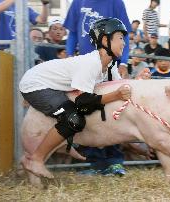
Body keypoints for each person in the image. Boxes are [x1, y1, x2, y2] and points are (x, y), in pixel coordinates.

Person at [19, 18, 132, 179]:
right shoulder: (91, 63)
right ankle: (35, 160)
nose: (124, 43)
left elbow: (120, 88)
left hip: (52, 85)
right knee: (74, 119)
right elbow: (84, 103)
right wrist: (115, 95)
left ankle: (67, 141)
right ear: (105, 40)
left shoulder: (110, 66)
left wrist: (139, 82)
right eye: (120, 38)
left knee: (79, 116)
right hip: (35, 83)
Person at [63, 0, 131, 79]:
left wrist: (123, 63)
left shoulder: (116, 2)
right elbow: (73, 32)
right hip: (84, 63)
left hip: (109, 65)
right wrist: (69, 55)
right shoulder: (77, 2)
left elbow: (124, 35)